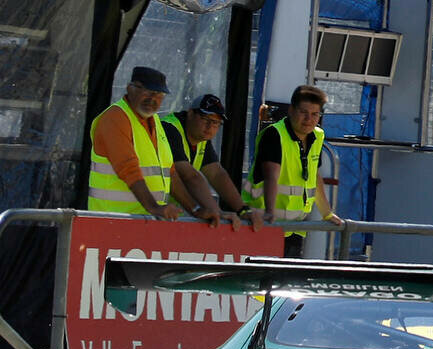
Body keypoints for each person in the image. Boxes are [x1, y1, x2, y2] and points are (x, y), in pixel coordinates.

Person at [88, 66, 220, 226]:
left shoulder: (155, 121)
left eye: (159, 94)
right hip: (112, 223)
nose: (153, 99)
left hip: (144, 224)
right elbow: (127, 168)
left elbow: (170, 175)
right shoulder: (115, 118)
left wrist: (195, 209)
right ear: (130, 89)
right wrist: (154, 207)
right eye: (148, 92)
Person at [243, 85, 343, 258]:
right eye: (303, 112)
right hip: (263, 224)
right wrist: (270, 214)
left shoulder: (318, 136)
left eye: (315, 114)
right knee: (259, 281)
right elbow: (271, 176)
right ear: (291, 110)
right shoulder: (275, 134)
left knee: (285, 282)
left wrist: (327, 213)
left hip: (295, 228)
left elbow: (313, 175)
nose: (308, 119)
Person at [162, 94, 262, 230]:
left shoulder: (200, 138)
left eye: (216, 122)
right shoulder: (170, 129)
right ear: (190, 113)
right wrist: (217, 213)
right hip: (144, 210)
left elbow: (217, 174)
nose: (210, 126)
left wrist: (243, 210)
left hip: (164, 212)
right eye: (205, 119)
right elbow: (190, 176)